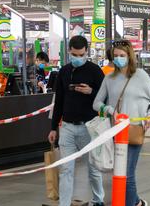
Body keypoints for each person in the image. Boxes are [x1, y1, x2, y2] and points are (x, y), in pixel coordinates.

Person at [94, 40, 150, 206]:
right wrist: (111, 110)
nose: (118, 58)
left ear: (129, 56)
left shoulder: (140, 75)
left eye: (122, 55)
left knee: (127, 173)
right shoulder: (109, 78)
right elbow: (96, 103)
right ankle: (137, 202)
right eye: (115, 55)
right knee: (119, 173)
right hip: (114, 131)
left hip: (133, 130)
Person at [48, 36, 105, 206]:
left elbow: (105, 97)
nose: (78, 58)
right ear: (69, 51)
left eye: (81, 55)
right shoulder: (64, 71)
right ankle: (64, 204)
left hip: (89, 127)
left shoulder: (95, 71)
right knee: (66, 169)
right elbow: (58, 101)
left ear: (86, 51)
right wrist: (53, 128)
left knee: (93, 168)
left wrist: (91, 92)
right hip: (67, 128)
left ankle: (98, 200)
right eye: (74, 54)